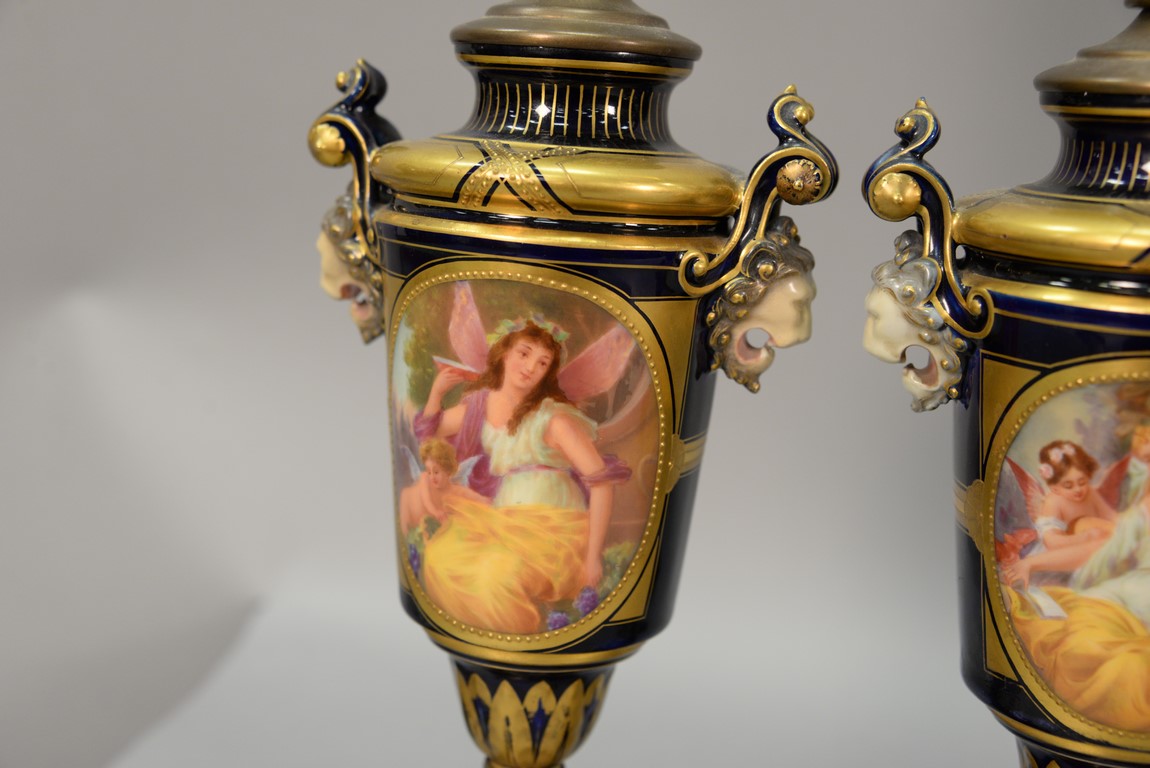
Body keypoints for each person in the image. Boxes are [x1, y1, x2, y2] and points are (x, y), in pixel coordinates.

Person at [411, 319, 630, 634]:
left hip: (555, 529)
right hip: (504, 519)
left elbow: (602, 482)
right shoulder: (479, 407)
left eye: (542, 363)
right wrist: (436, 393)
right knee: (440, 557)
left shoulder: (553, 418)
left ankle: (527, 640)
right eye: (524, 354)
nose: (530, 367)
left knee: (494, 578)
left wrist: (593, 556)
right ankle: (493, 642)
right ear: (504, 353)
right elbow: (428, 434)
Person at [1002, 441, 1117, 589]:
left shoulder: (1091, 493)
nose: (1078, 489)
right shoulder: (1054, 501)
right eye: (1068, 485)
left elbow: (1114, 519)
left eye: (1082, 482)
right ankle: (1028, 565)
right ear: (1054, 487)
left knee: (1109, 537)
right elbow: (1051, 542)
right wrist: (1084, 537)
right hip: (1058, 556)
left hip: (1088, 548)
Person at [398, 438, 486, 541]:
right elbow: (426, 498)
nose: (432, 477)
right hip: (410, 518)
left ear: (447, 470)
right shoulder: (425, 478)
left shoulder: (456, 490)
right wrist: (435, 511)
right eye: (429, 471)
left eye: (436, 472)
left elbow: (474, 497)